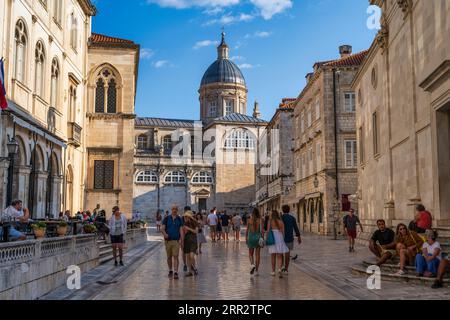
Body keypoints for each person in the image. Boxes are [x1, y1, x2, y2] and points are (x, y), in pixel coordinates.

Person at [161, 205, 184, 280]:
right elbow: (162, 228)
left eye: (176, 209)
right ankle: (170, 270)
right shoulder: (166, 218)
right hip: (168, 241)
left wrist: (181, 240)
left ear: (177, 210)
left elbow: (181, 230)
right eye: (173, 209)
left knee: (176, 256)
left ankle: (176, 272)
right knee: (169, 257)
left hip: (176, 241)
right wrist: (165, 234)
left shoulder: (179, 219)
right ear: (171, 210)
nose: (174, 210)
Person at [267, 210, 289, 278]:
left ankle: (273, 271)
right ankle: (279, 268)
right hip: (279, 237)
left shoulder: (270, 221)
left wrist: (267, 238)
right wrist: (283, 240)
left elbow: (268, 231)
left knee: (273, 256)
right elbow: (283, 232)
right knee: (279, 255)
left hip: (273, 238)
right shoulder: (281, 222)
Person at [281, 205, 301, 274]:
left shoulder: (281, 218)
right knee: (287, 253)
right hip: (289, 238)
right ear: (289, 210)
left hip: (281, 238)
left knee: (281, 253)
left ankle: (281, 266)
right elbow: (296, 228)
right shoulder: (292, 218)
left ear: (282, 210)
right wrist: (299, 237)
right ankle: (286, 269)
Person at [246, 208, 263, 276]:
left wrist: (246, 238)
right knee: (258, 255)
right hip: (258, 238)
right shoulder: (260, 220)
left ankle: (252, 264)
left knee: (250, 254)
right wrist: (262, 238)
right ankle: (257, 270)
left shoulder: (249, 220)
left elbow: (247, 230)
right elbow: (261, 231)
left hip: (251, 238)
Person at [182, 211, 199, 277]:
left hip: (193, 241)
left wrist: (188, 228)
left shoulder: (195, 223)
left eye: (186, 216)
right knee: (188, 257)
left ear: (189, 217)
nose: (185, 218)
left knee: (192, 256)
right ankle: (190, 271)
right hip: (187, 240)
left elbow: (196, 231)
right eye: (184, 217)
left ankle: (194, 268)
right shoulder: (184, 223)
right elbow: (183, 232)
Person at [182, 206, 191, 272]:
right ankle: (185, 264)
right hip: (184, 237)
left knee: (191, 252)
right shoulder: (181, 218)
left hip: (191, 237)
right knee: (184, 252)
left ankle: (190, 265)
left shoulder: (192, 218)